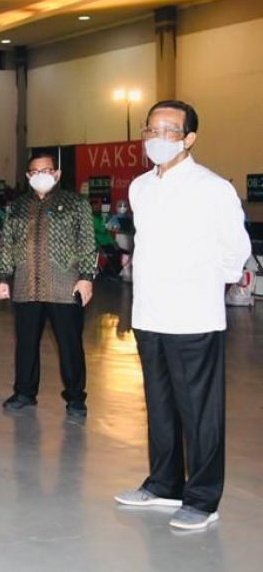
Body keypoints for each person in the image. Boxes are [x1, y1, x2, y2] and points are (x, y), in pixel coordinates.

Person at [114, 100, 250, 531]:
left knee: (199, 411)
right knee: (159, 404)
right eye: (151, 129)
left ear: (190, 138)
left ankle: (204, 497)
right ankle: (164, 484)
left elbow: (236, 252)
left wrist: (202, 282)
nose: (157, 137)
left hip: (193, 316)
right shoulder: (140, 187)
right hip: (149, 313)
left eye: (169, 130)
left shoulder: (212, 188)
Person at [0, 151, 97, 417]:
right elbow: (7, 244)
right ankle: (25, 392)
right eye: (35, 172)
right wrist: (3, 277)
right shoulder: (17, 207)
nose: (41, 176)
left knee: (69, 344)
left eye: (47, 171)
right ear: (28, 176)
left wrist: (86, 278)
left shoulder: (75, 204)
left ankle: (75, 397)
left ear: (57, 174)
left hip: (65, 286)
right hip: (26, 286)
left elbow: (87, 242)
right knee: (26, 343)